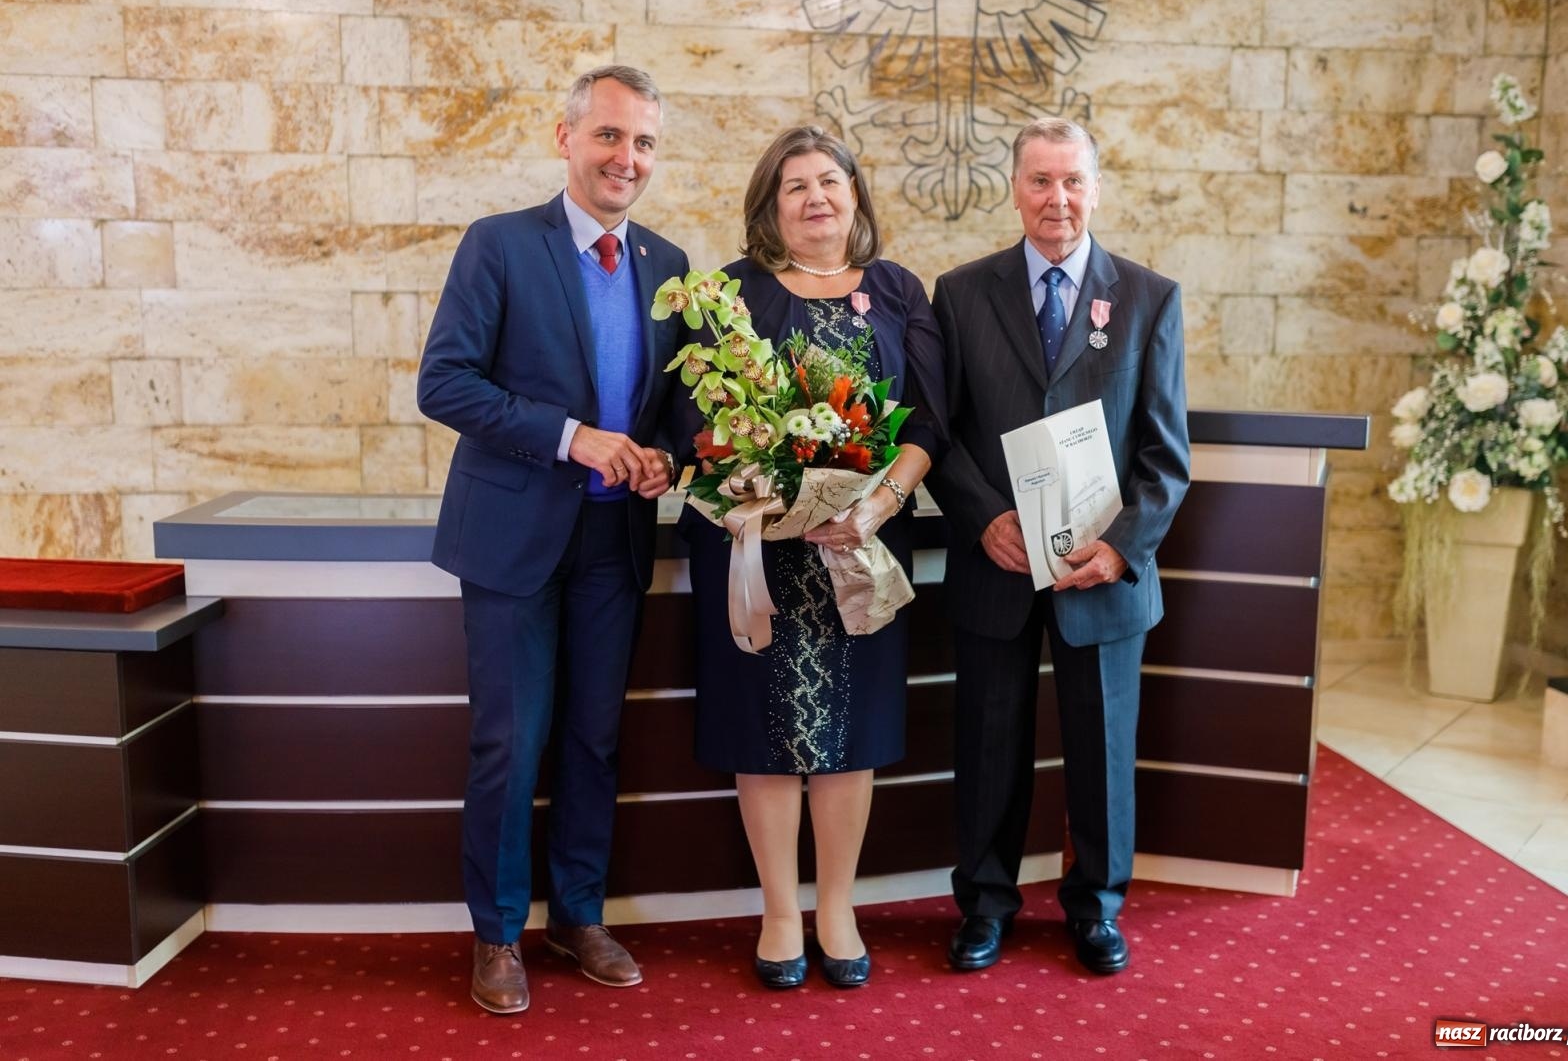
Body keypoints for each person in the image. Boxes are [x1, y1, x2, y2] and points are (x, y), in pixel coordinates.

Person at [416, 65, 688, 1015]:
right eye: (610, 136)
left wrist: (664, 457)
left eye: (644, 141)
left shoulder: (670, 265)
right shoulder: (498, 246)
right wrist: (574, 437)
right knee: (510, 740)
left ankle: (577, 914)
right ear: (565, 138)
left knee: (593, 740)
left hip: (614, 544)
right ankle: (497, 934)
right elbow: (443, 384)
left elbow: (675, 412)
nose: (627, 158)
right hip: (512, 540)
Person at [678, 126, 945, 990]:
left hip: (863, 546)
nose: (816, 198)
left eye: (830, 181)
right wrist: (758, 492)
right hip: (763, 550)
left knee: (851, 729)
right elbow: (694, 426)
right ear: (770, 206)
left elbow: (931, 421)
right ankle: (779, 910)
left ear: (856, 195)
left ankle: (837, 904)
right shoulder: (730, 293)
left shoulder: (899, 289)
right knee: (763, 730)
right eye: (795, 186)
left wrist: (878, 502)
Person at [926, 117, 1189, 976]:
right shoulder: (961, 294)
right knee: (989, 745)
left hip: (1102, 576)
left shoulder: (1150, 297)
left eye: (1073, 181)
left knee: (1104, 752)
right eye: (1041, 181)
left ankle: (1098, 908)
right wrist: (981, 518)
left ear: (1097, 189)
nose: (1058, 199)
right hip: (996, 565)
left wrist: (1121, 549)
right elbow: (941, 433)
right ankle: (985, 906)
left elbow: (1164, 457)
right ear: (1015, 188)